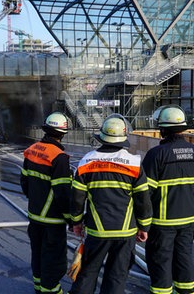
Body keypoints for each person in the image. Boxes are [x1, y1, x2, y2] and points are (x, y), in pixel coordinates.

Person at [69, 114, 152, 294]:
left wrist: (76, 223)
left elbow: (76, 199)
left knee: (87, 274)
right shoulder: (134, 163)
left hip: (97, 231)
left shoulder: (86, 162)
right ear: (123, 137)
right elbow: (143, 200)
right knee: (116, 277)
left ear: (101, 136)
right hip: (125, 233)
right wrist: (144, 226)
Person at [142, 105, 194, 294]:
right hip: (188, 221)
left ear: (162, 129)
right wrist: (189, 197)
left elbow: (145, 192)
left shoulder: (156, 155)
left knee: (160, 262)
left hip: (162, 222)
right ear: (183, 128)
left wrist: (142, 224)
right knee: (184, 259)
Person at [21, 112, 73, 294]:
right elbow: (63, 194)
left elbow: (25, 183)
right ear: (62, 133)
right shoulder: (59, 158)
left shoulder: (32, 150)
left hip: (34, 218)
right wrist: (72, 218)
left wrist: (35, 201)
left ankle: (39, 288)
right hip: (52, 221)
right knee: (54, 261)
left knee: (38, 256)